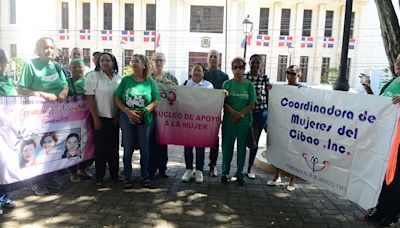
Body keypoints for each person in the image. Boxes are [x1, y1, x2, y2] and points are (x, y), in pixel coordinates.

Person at [18, 37, 67, 195]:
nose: (49, 50)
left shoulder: (56, 66)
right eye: (46, 47)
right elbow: (21, 89)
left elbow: (64, 84)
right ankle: (36, 182)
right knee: (37, 147)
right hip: (36, 115)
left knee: (51, 146)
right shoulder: (30, 65)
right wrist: (41, 93)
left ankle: (50, 177)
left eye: (52, 48)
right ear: (38, 49)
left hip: (56, 116)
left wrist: (64, 92)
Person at [363, 53, 400, 227]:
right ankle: (381, 210)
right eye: (397, 60)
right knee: (381, 177)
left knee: (395, 179)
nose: (398, 63)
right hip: (383, 139)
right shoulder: (391, 82)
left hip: (398, 143)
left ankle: (393, 214)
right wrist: (368, 89)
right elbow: (379, 105)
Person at [115, 54, 160, 189]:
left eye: (136, 62)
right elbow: (117, 98)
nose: (133, 64)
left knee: (145, 148)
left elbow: (156, 100)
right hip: (127, 117)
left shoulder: (150, 81)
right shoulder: (126, 80)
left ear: (144, 65)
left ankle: (144, 175)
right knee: (128, 149)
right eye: (132, 61)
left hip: (144, 118)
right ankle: (127, 176)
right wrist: (128, 112)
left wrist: (145, 110)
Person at [85, 52, 121, 187]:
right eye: (101, 61)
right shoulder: (93, 77)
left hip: (114, 119)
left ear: (113, 62)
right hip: (99, 117)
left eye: (107, 60)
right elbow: (89, 98)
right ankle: (99, 176)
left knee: (114, 148)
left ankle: (114, 174)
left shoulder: (119, 78)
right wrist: (95, 118)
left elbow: (121, 98)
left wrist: (118, 115)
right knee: (100, 148)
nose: (104, 63)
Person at [220, 57, 256, 187]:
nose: (238, 70)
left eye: (240, 67)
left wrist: (240, 114)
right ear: (232, 69)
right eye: (235, 67)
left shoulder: (249, 85)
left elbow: (252, 104)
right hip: (229, 122)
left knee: (241, 149)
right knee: (226, 148)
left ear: (244, 69)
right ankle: (224, 173)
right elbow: (223, 102)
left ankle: (240, 174)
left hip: (243, 123)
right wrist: (234, 113)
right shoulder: (226, 84)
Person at [267, 65, 302, 191]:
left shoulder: (304, 90)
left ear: (299, 75)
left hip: (296, 126)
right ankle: (277, 176)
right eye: (287, 73)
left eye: (293, 73)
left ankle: (292, 179)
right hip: (282, 125)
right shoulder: (280, 89)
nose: (289, 76)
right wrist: (271, 90)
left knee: (294, 152)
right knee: (279, 149)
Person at [181, 63, 214, 183]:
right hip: (188, 122)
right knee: (188, 148)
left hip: (201, 122)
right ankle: (188, 170)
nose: (196, 73)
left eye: (199, 71)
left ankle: (199, 171)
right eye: (194, 70)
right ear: (190, 72)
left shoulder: (209, 86)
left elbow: (212, 102)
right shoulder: (185, 84)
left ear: (203, 73)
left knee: (200, 148)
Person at [148, 52, 178, 179]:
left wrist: (171, 86)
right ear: (151, 61)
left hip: (166, 115)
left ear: (164, 62)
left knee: (163, 142)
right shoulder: (148, 77)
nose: (158, 63)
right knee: (150, 143)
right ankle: (151, 169)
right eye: (156, 60)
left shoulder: (170, 77)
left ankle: (162, 168)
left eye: (161, 60)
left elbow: (179, 93)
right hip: (150, 115)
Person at [66, 59, 93, 182]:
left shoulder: (89, 82)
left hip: (87, 119)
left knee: (87, 144)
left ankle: (83, 168)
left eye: (79, 67)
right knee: (72, 144)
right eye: (74, 67)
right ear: (70, 69)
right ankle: (72, 172)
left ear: (84, 68)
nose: (77, 69)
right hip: (71, 120)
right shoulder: (66, 83)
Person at [204, 50, 229, 177]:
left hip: (215, 112)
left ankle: (212, 165)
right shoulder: (201, 72)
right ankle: (198, 166)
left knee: (214, 139)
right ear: (207, 59)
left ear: (219, 60)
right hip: (200, 111)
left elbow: (227, 94)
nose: (213, 59)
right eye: (211, 56)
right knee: (199, 137)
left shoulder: (224, 76)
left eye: (216, 57)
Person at [244, 54, 270, 179]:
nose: (255, 65)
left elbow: (269, 96)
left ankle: (249, 169)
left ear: (261, 64)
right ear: (249, 63)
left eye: (258, 63)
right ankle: (239, 168)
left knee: (255, 141)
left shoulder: (265, 78)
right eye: (253, 62)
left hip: (260, 114)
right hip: (246, 113)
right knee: (243, 140)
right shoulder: (245, 77)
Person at [0, 48, 16, 210]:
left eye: (2, 61)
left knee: (4, 165)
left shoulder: (7, 79)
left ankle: (4, 197)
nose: (2, 64)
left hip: (7, 130)